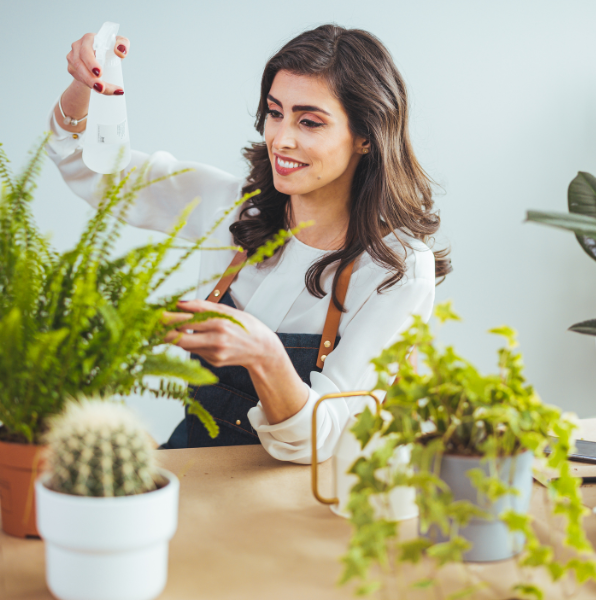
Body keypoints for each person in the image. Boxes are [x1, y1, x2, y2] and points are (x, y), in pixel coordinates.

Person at [46, 24, 450, 464]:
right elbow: (87, 167)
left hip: (290, 507)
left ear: (366, 135)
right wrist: (87, 85)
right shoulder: (234, 206)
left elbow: (324, 439)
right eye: (275, 113)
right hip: (192, 472)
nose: (281, 138)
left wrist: (264, 356)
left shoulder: (399, 270)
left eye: (309, 121)